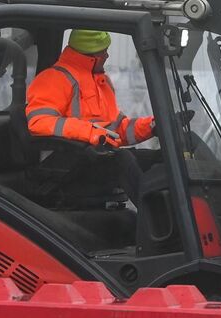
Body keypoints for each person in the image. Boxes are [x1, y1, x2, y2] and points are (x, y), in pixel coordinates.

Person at [24, 29, 156, 206]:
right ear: (91, 54)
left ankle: (180, 221)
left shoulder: (102, 82)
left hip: (99, 159)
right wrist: (90, 133)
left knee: (161, 159)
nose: (107, 55)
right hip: (67, 167)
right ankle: (156, 221)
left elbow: (116, 130)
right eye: (104, 50)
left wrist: (152, 126)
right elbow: (39, 122)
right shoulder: (53, 78)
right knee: (123, 159)